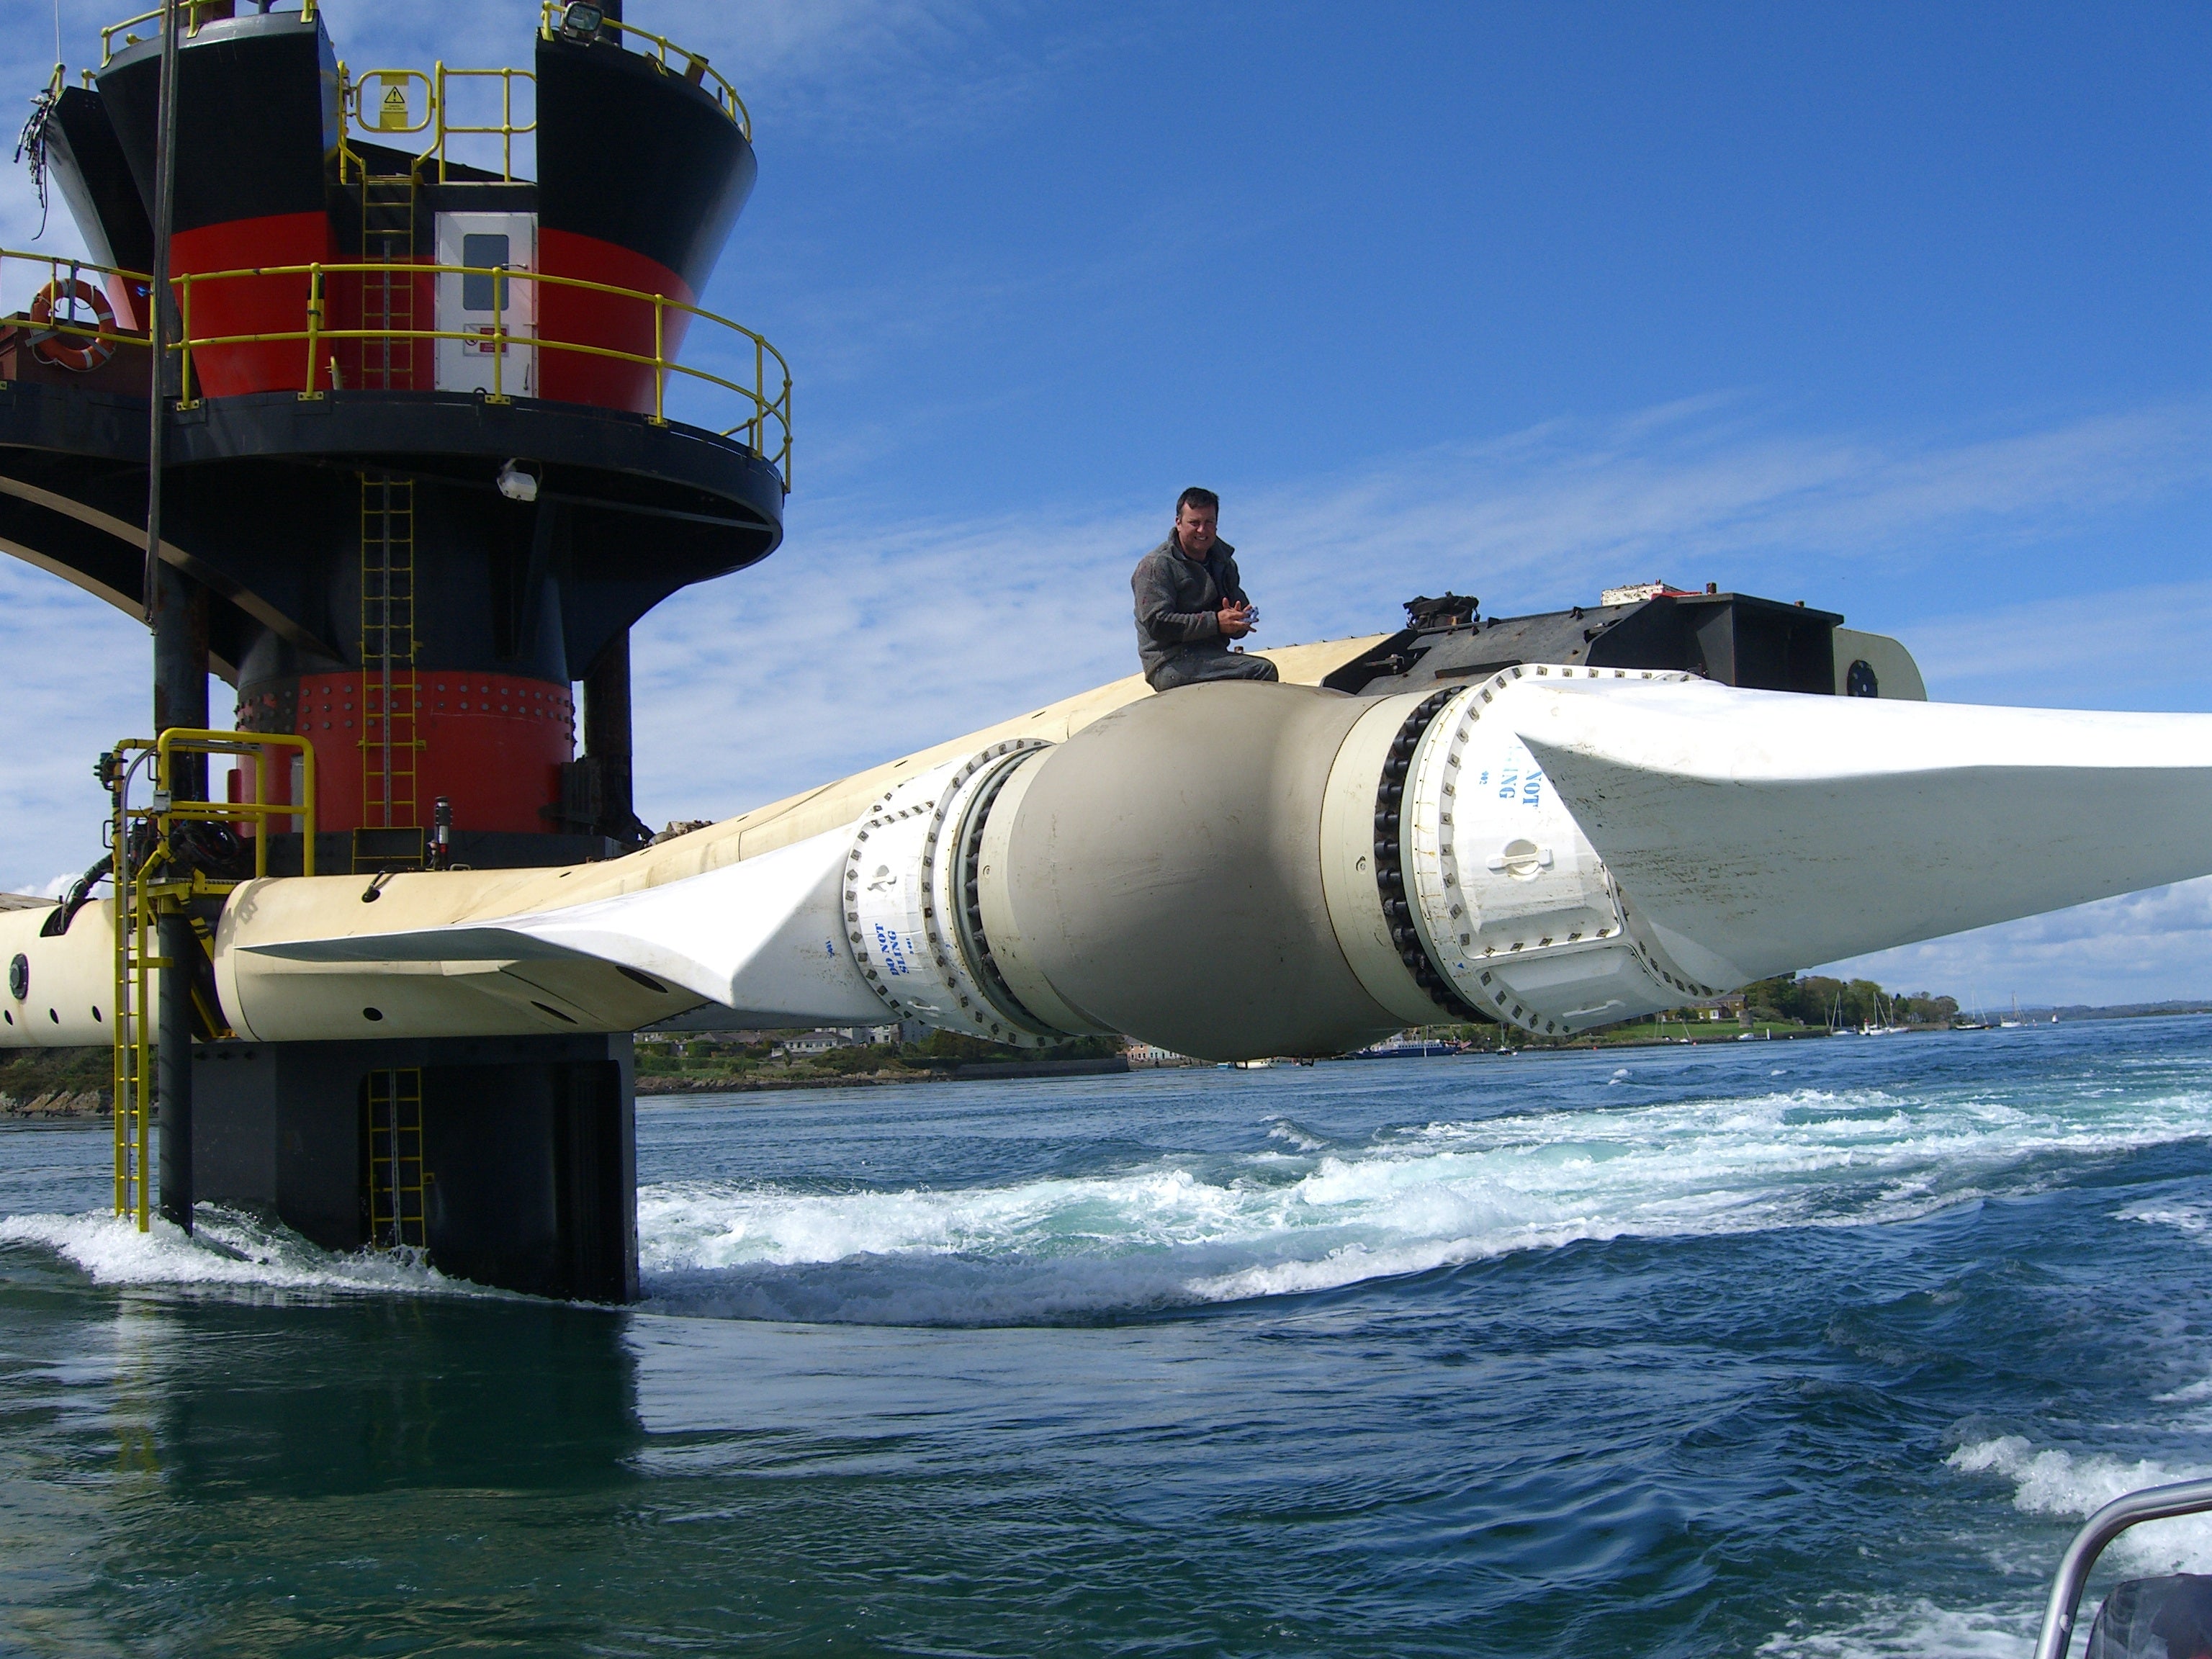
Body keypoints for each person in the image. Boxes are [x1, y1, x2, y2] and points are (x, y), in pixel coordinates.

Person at [1130, 487, 1280, 691]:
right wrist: (1216, 622)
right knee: (1262, 671)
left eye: (1209, 522)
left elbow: (1238, 610)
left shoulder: (1223, 562)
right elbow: (1158, 624)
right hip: (1170, 663)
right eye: (1194, 523)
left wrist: (1240, 620)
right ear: (1178, 523)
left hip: (1212, 656)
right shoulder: (1156, 565)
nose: (1202, 530)